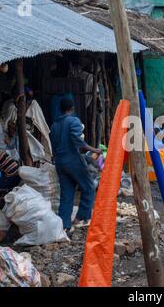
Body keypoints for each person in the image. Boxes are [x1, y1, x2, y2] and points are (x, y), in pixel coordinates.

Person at [50, 98, 102, 232]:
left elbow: (54, 145)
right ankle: (81, 217)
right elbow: (79, 142)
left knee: (67, 194)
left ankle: (64, 225)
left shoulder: (54, 125)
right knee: (89, 186)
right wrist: (95, 150)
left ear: (60, 108)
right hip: (72, 160)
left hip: (60, 162)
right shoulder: (73, 121)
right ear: (72, 108)